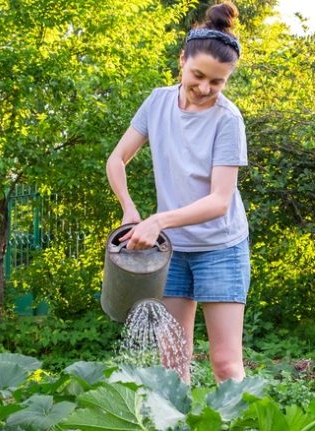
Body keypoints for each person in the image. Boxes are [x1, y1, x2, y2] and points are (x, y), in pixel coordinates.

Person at [106, 1, 249, 384]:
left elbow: (220, 201)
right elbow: (117, 160)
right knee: (173, 362)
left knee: (225, 363)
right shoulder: (157, 102)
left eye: (216, 82)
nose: (205, 88)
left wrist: (157, 220)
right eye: (198, 75)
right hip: (172, 252)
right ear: (182, 59)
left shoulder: (227, 120)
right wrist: (130, 210)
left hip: (221, 249)